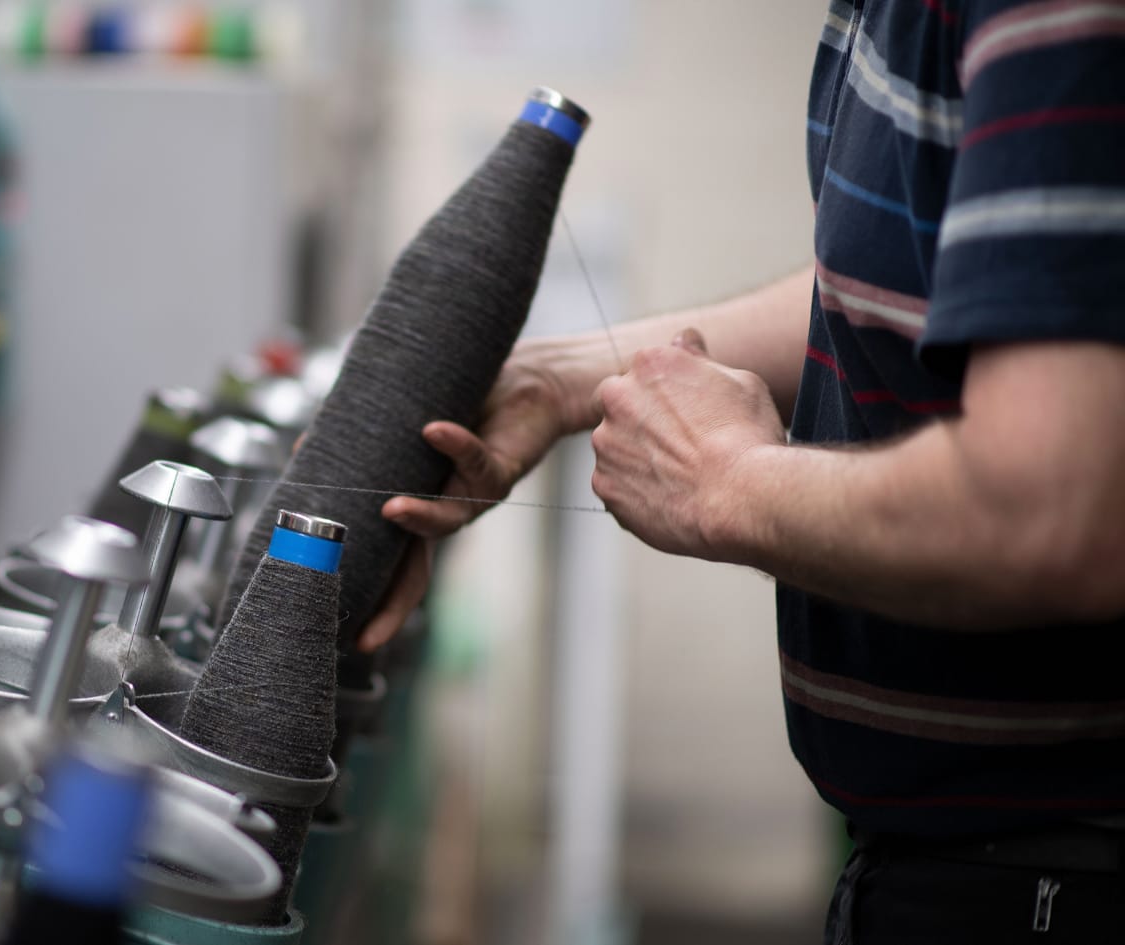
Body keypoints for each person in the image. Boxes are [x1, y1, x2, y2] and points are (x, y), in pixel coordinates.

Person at [358, 1, 1125, 942]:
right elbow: (933, 284)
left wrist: (727, 482)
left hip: (1062, 882)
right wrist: (562, 380)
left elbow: (1056, 512)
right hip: (945, 860)